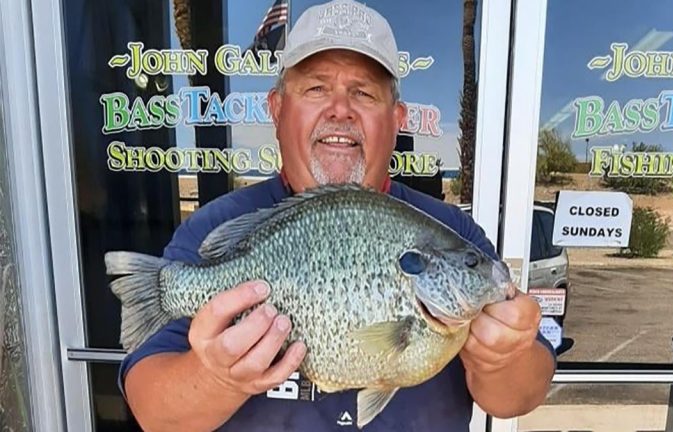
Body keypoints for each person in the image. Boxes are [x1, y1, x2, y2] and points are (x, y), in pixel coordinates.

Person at [118, 0, 556, 430]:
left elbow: (515, 399)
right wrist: (215, 378)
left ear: (397, 118)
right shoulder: (215, 227)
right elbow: (153, 412)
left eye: (363, 92)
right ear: (276, 109)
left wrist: (505, 357)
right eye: (315, 88)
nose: (340, 109)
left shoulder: (449, 233)